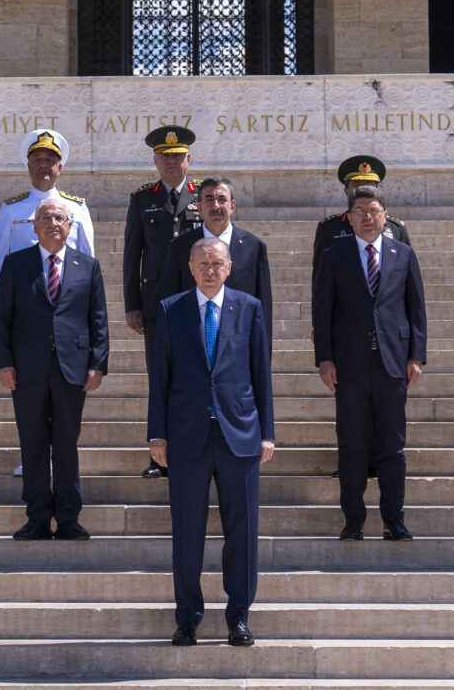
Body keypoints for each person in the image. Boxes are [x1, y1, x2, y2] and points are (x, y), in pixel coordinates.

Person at [148, 237, 274, 647]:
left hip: (239, 436)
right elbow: (160, 379)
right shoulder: (170, 310)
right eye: (202, 262)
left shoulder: (249, 308)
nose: (209, 269)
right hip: (187, 438)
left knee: (244, 531)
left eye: (216, 263)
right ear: (190, 266)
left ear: (229, 266)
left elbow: (261, 374)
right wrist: (157, 433)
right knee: (187, 531)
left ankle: (238, 616)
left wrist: (267, 432)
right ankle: (187, 617)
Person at [313, 184, 426, 542]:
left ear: (384, 216)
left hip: (392, 363)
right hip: (350, 365)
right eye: (360, 210)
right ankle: (354, 521)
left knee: (392, 447)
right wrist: (325, 359)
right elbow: (323, 310)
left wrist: (417, 357)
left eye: (374, 211)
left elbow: (416, 309)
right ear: (349, 216)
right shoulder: (334, 255)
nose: (367, 217)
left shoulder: (403, 254)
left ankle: (395, 519)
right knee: (352, 445)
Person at [0, 198, 109, 541]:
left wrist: (97, 364)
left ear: (70, 226)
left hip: (72, 368)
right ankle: (38, 517)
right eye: (45, 218)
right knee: (33, 444)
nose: (52, 223)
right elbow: (2, 319)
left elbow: (98, 319)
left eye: (59, 218)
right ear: (34, 225)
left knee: (66, 443)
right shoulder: (16, 264)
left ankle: (70, 517)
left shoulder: (87, 265)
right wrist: (4, 362)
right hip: (27, 369)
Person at [0, 128, 94, 477]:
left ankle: (59, 463)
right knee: (30, 406)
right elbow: (0, 259)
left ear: (60, 167)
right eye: (37, 161)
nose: (43, 167)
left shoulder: (77, 208)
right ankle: (30, 457)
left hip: (66, 317)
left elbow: (88, 261)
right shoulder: (12, 208)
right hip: (26, 317)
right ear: (28, 165)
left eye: (50, 161)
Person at [124, 125, 203, 478]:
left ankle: (197, 449)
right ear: (155, 161)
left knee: (199, 376)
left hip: (197, 302)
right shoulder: (143, 199)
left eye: (178, 156)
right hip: (156, 305)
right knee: (161, 379)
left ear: (189, 159)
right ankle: (160, 457)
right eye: (165, 156)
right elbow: (132, 255)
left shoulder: (205, 196)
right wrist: (132, 303)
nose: (172, 162)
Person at [159, 177, 272, 336]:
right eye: (209, 199)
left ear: (232, 205)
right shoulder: (180, 247)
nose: (216, 206)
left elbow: (264, 309)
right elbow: (170, 302)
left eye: (222, 199)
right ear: (199, 207)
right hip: (192, 341)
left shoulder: (254, 247)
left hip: (239, 344)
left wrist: (263, 355)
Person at [312, 155, 411, 284]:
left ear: (378, 190)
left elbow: (408, 279)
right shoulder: (329, 229)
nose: (362, 190)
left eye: (369, 185)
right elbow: (321, 279)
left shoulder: (396, 229)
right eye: (356, 185)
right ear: (346, 191)